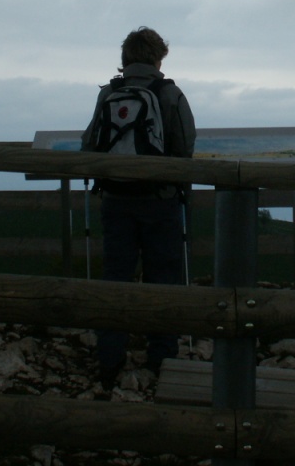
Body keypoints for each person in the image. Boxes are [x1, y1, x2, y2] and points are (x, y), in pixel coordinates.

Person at [81, 27, 196, 390]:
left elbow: (89, 143)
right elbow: (185, 146)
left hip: (115, 200)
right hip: (160, 201)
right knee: (163, 278)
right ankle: (162, 357)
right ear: (158, 58)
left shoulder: (108, 93)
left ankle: (109, 358)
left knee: (116, 277)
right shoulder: (170, 93)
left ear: (125, 59)